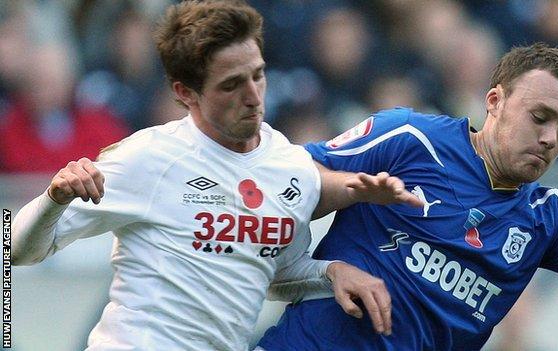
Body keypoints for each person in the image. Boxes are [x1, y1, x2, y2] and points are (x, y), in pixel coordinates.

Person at [10, 1, 423, 350]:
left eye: (258, 75)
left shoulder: (289, 165)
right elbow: (17, 250)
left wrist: (331, 272)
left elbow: (275, 274)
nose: (253, 96)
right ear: (185, 93)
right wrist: (55, 198)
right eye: (231, 85)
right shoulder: (151, 156)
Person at [257, 42, 558, 350]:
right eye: (539, 117)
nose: (550, 138)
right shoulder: (410, 138)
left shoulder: (547, 220)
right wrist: (347, 190)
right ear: (495, 101)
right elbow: (290, 177)